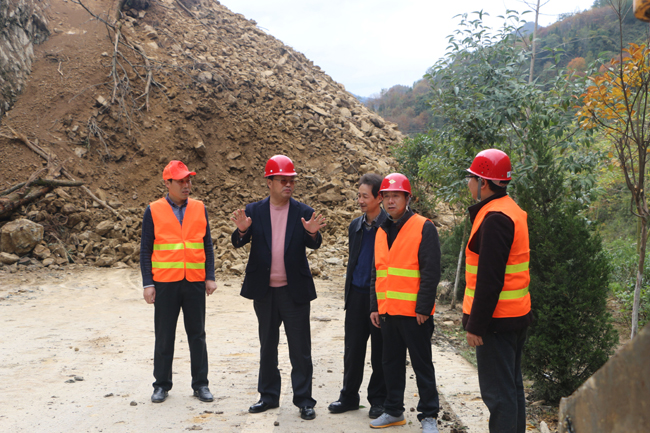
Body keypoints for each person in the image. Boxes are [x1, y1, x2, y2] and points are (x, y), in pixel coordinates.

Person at [231, 154, 326, 421]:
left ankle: (304, 400)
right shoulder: (254, 210)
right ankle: (268, 396)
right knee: (267, 346)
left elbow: (314, 243)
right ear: (269, 182)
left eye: (291, 180)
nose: (288, 185)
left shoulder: (303, 211)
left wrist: (312, 232)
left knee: (300, 349)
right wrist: (242, 230)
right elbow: (238, 241)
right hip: (265, 291)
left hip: (294, 292)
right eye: (283, 180)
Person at [463, 149, 533, 433]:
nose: (468, 183)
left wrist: (475, 325)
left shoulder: (495, 218)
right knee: (511, 388)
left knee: (499, 396)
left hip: (496, 322)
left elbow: (489, 279)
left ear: (484, 182)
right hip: (513, 317)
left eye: (471, 178)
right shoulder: (510, 210)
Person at [140, 160, 217, 404]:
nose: (187, 185)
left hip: (194, 282)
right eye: (181, 181)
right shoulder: (153, 210)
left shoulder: (199, 208)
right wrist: (148, 283)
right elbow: (145, 250)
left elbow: (206, 245)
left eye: (188, 180)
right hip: (165, 283)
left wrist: (210, 276)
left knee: (197, 335)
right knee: (164, 336)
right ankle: (161, 385)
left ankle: (201, 384)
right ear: (168, 183)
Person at [369, 173, 441, 433]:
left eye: (396, 196)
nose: (390, 201)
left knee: (422, 365)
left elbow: (431, 271)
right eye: (386, 196)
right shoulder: (381, 229)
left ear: (407, 198)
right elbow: (377, 272)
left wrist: (424, 307)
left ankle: (429, 416)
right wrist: (375, 306)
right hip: (388, 312)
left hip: (414, 314)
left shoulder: (423, 227)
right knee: (391, 364)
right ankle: (393, 411)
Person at [328, 173, 387, 419]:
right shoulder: (355, 226)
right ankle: (349, 396)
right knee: (352, 350)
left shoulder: (390, 226)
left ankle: (378, 400)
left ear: (379, 197)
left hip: (379, 298)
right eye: (359, 196)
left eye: (365, 196)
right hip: (356, 295)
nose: (360, 201)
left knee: (380, 352)